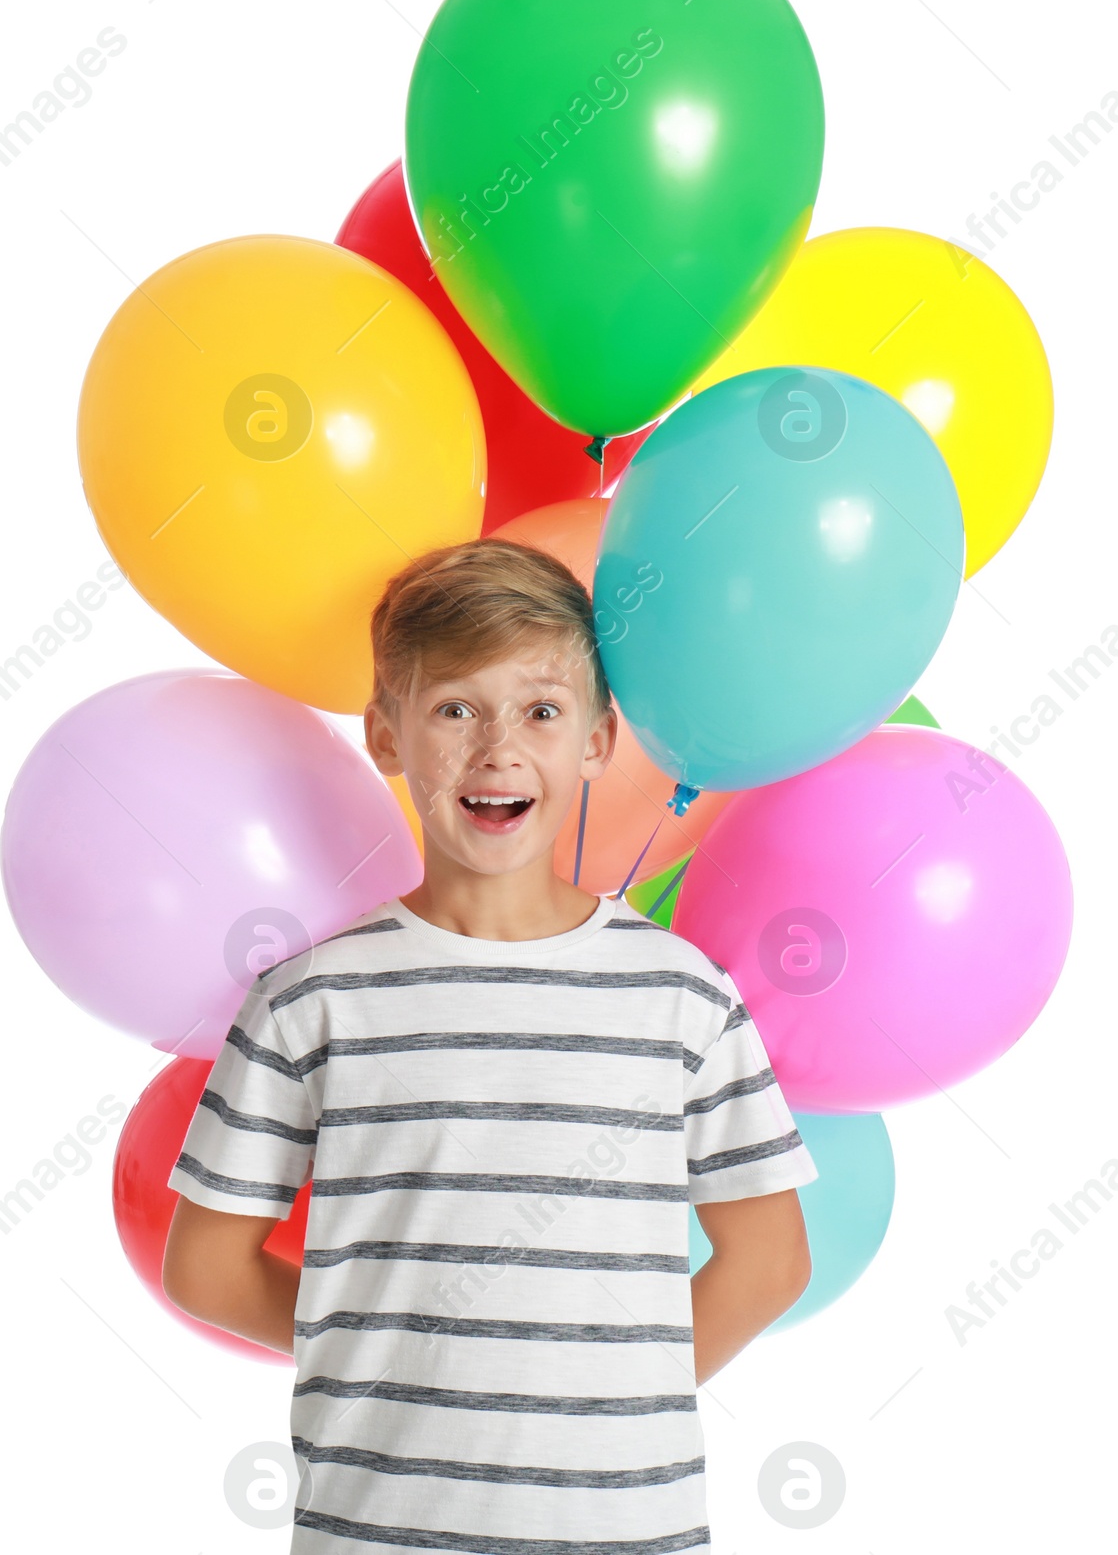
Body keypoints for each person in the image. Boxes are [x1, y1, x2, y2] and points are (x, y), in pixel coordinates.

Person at [162, 536, 817, 1551]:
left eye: (541, 712)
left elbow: (769, 1260)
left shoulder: (679, 997)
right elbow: (205, 1268)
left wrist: (593, 1395)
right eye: (454, 709)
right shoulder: (311, 1002)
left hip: (625, 1529)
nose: (497, 749)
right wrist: (411, 1364)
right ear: (387, 735)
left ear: (598, 740)